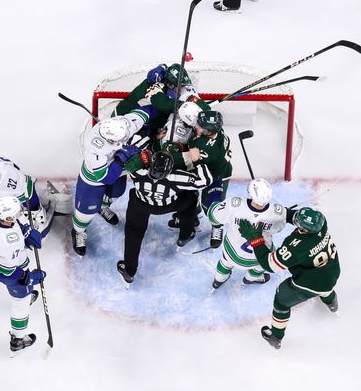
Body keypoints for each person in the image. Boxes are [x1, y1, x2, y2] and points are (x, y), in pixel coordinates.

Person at [238, 207, 340, 350]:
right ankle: (332, 304)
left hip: (311, 282)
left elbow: (270, 265)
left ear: (304, 230)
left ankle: (276, 336)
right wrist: (279, 212)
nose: (297, 219)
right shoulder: (321, 224)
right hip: (332, 269)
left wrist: (256, 241)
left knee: (281, 303)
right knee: (326, 286)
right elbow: (299, 218)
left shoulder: (296, 247)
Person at [116, 149, 213, 286]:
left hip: (142, 205)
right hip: (167, 205)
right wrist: (197, 160)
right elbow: (205, 180)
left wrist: (139, 156)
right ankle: (185, 235)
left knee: (133, 231)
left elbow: (126, 163)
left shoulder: (137, 171)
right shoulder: (175, 177)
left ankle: (129, 271)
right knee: (190, 199)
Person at [72, 113, 150, 256]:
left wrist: (153, 130)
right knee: (85, 212)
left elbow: (146, 112)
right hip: (95, 179)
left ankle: (102, 207)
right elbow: (105, 177)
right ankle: (78, 231)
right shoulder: (95, 146)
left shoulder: (124, 124)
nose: (122, 143)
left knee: (116, 193)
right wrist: (121, 158)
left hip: (118, 173)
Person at [0, 195, 46, 353]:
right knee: (21, 300)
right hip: (6, 270)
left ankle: (24, 296)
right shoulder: (9, 243)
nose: (20, 212)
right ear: (7, 216)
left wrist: (25, 231)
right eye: (16, 212)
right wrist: (29, 278)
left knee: (22, 291)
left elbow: (9, 224)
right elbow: (8, 271)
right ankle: (18, 339)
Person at [206, 178, 287, 288]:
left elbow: (213, 216)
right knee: (261, 265)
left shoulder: (234, 205)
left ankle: (218, 280)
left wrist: (215, 201)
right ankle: (251, 278)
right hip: (259, 255)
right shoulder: (278, 213)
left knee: (226, 261)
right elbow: (278, 229)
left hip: (233, 252)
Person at [168, 110, 233, 239]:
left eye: (200, 126)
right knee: (192, 194)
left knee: (211, 205)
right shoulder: (219, 131)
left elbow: (186, 158)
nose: (196, 126)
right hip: (210, 168)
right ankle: (192, 217)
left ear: (208, 132)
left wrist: (171, 152)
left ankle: (217, 228)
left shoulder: (200, 144)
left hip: (216, 176)